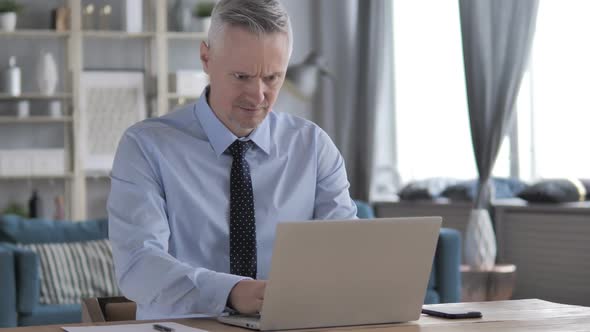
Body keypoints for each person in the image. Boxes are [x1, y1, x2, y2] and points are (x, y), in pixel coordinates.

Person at [107, 0, 356, 320]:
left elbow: (346, 255)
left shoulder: (313, 147)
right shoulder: (146, 147)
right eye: (241, 76)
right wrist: (232, 292)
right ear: (206, 58)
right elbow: (139, 266)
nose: (257, 96)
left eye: (272, 78)